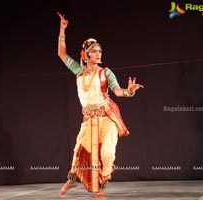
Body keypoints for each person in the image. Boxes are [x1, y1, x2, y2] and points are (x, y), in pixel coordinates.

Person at [57, 12, 144, 198]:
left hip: (106, 117)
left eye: (100, 51)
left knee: (106, 152)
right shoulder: (78, 71)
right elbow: (61, 53)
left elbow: (118, 91)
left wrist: (129, 91)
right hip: (88, 120)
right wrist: (62, 29)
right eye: (95, 51)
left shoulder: (106, 72)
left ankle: (102, 188)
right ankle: (72, 180)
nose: (99, 54)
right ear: (86, 54)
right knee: (80, 151)